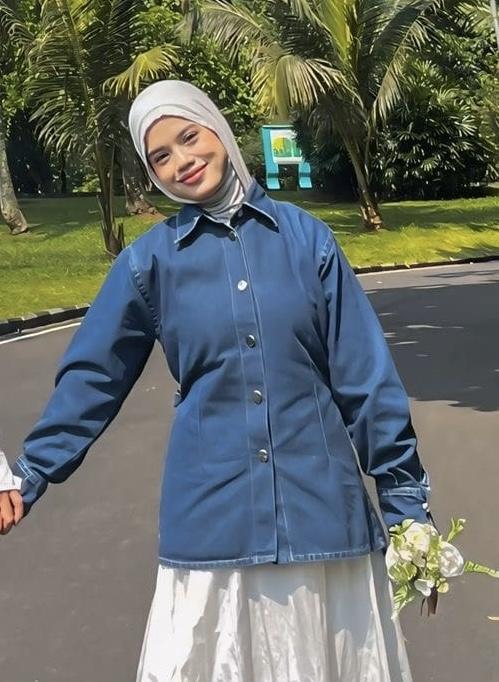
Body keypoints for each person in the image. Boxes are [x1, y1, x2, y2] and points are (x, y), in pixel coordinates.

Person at [0, 79, 432, 681]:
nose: (182, 161)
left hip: (321, 520)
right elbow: (92, 379)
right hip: (212, 531)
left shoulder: (307, 240)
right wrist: (29, 474)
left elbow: (366, 381)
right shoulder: (149, 264)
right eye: (161, 156)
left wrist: (407, 507)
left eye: (189, 136)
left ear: (218, 129)